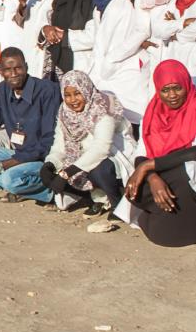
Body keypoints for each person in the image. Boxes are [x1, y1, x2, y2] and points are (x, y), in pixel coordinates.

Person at [116, 59, 196, 247]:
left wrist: (149, 166)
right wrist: (151, 177)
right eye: (165, 90)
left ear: (186, 84)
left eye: (177, 88)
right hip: (166, 175)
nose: (172, 95)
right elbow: (142, 152)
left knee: (183, 172)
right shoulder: (153, 111)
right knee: (136, 185)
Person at [0, 48, 59, 202]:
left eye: (18, 68)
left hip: (41, 159)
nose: (13, 73)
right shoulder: (3, 91)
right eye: (7, 69)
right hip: (16, 156)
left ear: (26, 67)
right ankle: (20, 186)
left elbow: (47, 144)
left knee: (8, 179)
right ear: (1, 71)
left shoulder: (46, 91)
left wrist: (1, 166)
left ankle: (50, 190)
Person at [41, 70, 130, 222]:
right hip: (82, 158)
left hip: (113, 158)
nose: (72, 100)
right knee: (52, 172)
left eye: (77, 93)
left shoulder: (101, 110)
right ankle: (96, 199)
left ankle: (117, 201)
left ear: (86, 90)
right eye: (67, 95)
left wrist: (66, 173)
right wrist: (49, 164)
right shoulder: (65, 112)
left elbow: (101, 149)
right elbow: (60, 146)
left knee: (99, 169)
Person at [85, 0, 154, 121]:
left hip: (128, 67)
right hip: (104, 72)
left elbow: (142, 29)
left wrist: (113, 58)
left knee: (134, 119)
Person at [37, 0, 97, 78]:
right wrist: (46, 30)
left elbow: (94, 36)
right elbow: (46, 24)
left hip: (84, 64)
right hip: (57, 64)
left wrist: (65, 37)